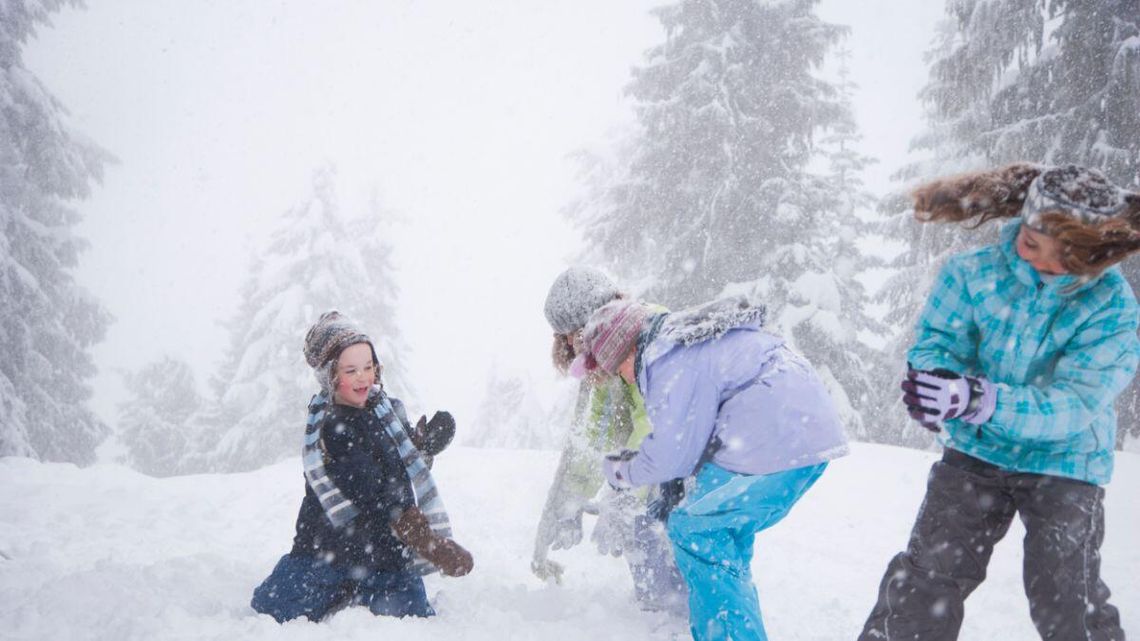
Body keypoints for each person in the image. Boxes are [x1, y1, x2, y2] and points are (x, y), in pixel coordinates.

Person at [858, 163, 1140, 641]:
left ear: (1089, 256)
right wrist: (936, 382)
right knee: (928, 578)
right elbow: (937, 340)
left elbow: (1073, 403)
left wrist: (981, 400)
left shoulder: (1111, 309)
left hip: (1066, 460)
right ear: (1024, 225)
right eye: (1030, 245)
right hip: (977, 450)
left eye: (1064, 260)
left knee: (1064, 594)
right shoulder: (972, 274)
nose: (1038, 263)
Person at [579, 295, 849, 641]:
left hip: (773, 437)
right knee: (721, 537)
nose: (624, 378)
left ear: (627, 350)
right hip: (806, 435)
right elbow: (689, 442)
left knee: (696, 531)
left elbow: (671, 455)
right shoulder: (684, 343)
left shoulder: (668, 359)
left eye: (618, 369)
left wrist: (622, 472)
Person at [251, 311, 473, 623]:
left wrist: (421, 446)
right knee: (274, 606)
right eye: (351, 370)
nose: (363, 377)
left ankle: (361, 587)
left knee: (410, 612)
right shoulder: (332, 426)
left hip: (382, 550)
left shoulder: (385, 409)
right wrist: (425, 540)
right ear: (331, 376)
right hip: (331, 545)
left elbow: (397, 456)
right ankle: (341, 586)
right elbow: (371, 488)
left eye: (369, 366)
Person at [532, 267, 688, 615]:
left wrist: (625, 495)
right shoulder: (607, 361)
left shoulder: (647, 339)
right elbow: (598, 435)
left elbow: (654, 424)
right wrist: (574, 498)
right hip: (659, 474)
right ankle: (663, 614)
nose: (570, 344)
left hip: (683, 474)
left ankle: (676, 618)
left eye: (574, 333)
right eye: (564, 336)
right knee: (648, 555)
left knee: (659, 542)